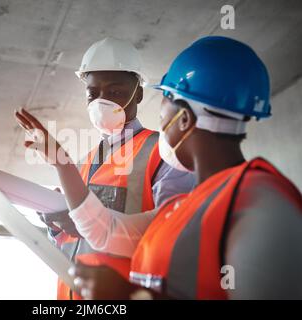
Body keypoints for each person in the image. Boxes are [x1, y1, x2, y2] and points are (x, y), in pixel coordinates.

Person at [65, 36, 302, 299]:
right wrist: (60, 164)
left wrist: (132, 297)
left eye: (165, 97)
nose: (160, 113)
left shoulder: (261, 200)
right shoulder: (179, 208)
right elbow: (105, 231)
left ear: (184, 118)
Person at [15, 37, 194, 300]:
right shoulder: (84, 162)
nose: (102, 101)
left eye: (115, 92)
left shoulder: (164, 153)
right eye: (93, 93)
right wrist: (56, 223)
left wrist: (86, 222)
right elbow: (73, 245)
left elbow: (171, 238)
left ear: (139, 93)